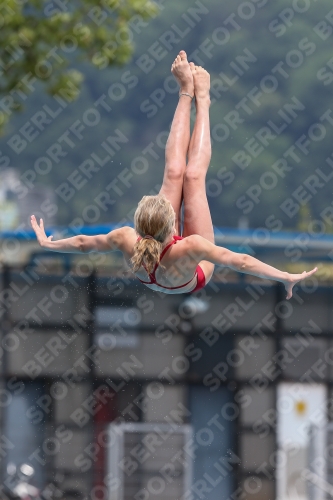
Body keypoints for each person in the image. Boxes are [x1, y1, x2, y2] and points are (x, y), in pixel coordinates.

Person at [31, 51, 317, 299]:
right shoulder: (190, 247)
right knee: (193, 176)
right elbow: (238, 261)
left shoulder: (125, 238)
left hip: (168, 265)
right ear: (172, 227)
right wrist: (284, 276)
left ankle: (185, 90)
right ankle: (203, 100)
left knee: (174, 171)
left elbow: (83, 244)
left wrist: (49, 244)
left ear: (140, 226)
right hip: (194, 276)